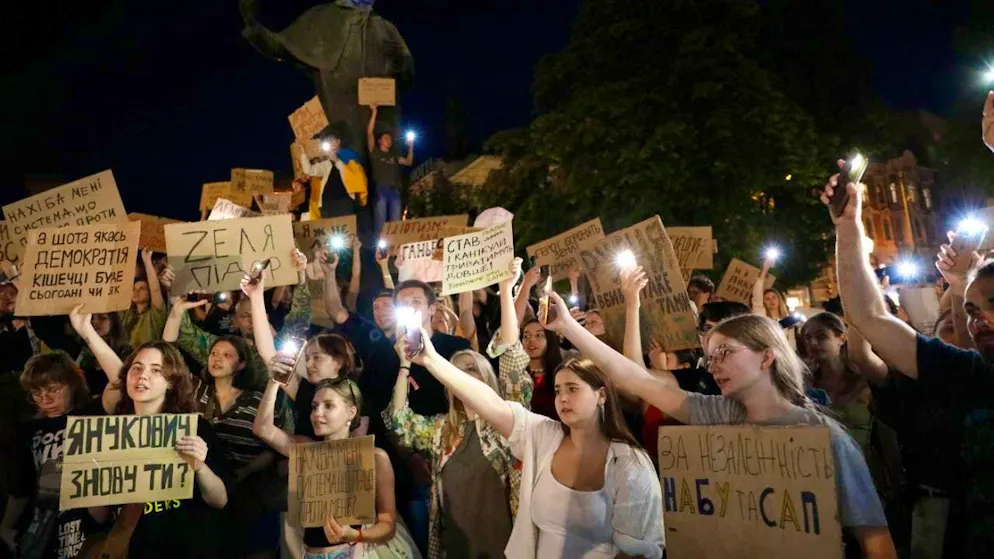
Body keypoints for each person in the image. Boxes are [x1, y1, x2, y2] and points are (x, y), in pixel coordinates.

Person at [548, 283, 896, 558]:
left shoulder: (824, 437)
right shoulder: (716, 414)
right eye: (710, 356)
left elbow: (876, 540)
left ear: (766, 357)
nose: (712, 365)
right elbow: (638, 380)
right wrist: (567, 326)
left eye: (725, 353)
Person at [822, 147, 994, 556]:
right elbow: (868, 316)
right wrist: (849, 228)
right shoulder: (967, 373)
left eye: (993, 303)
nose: (979, 319)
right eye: (970, 310)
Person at [399, 321, 664, 558]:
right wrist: (432, 360)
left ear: (602, 396)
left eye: (573, 389)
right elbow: (492, 403)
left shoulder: (628, 464)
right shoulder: (545, 436)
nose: (562, 398)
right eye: (558, 390)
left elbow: (636, 553)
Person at [383, 259, 531, 559]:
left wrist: (506, 290)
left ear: (487, 379)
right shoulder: (442, 431)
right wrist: (404, 364)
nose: (465, 377)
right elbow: (399, 421)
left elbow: (514, 361)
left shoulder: (507, 426)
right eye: (458, 372)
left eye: (472, 371)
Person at [82, 338, 233, 558]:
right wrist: (91, 480)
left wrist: (200, 467)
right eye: (137, 368)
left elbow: (220, 500)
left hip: (187, 549)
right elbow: (100, 516)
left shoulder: (194, 428)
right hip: (132, 548)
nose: (142, 376)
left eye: (156, 370)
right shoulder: (108, 434)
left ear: (171, 382)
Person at [253, 361, 420, 558]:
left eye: (329, 406)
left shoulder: (374, 458)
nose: (317, 414)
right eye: (314, 407)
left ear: (351, 412)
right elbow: (263, 429)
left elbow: (387, 523)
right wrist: (273, 383)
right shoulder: (307, 451)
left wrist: (356, 535)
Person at [1, 353, 108, 559]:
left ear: (72, 384)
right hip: (40, 534)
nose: (46, 399)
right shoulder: (28, 431)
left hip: (85, 530)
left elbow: (117, 386)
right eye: (36, 393)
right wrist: (5, 527)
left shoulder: (92, 416)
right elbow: (20, 487)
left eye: (53, 390)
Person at [163, 250, 311, 392]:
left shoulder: (282, 346)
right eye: (245, 316)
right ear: (235, 321)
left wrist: (301, 274)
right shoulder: (222, 349)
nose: (252, 321)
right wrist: (175, 295)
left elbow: (300, 318)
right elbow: (186, 334)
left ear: (264, 316)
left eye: (256, 315)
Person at [367, 105, 414, 235]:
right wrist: (374, 112)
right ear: (379, 141)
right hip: (381, 189)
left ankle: (395, 249)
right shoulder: (375, 153)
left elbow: (408, 162)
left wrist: (411, 147)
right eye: (386, 138)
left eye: (390, 138)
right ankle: (380, 249)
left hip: (394, 190)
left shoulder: (393, 155)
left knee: (395, 221)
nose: (389, 140)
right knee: (380, 220)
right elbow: (369, 133)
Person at [299, 135, 368, 220]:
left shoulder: (349, 157)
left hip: (345, 202)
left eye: (332, 140)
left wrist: (336, 160)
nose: (331, 143)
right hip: (327, 203)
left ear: (338, 141)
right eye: (328, 142)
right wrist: (303, 151)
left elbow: (351, 174)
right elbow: (309, 170)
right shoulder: (326, 164)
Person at [121, 248, 169, 347]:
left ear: (150, 294)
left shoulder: (155, 315)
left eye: (142, 288)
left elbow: (155, 289)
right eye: (133, 288)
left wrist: (147, 261)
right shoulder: (127, 314)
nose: (136, 291)